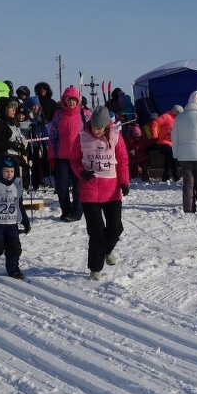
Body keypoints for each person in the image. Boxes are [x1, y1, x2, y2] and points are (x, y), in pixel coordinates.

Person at [72, 107, 130, 280]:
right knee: (96, 232)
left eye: (100, 128)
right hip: (90, 191)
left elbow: (123, 161)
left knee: (116, 227)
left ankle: (106, 250)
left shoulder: (115, 137)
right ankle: (95, 268)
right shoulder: (81, 136)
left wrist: (124, 182)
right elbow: (74, 159)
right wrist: (81, 172)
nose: (96, 131)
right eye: (94, 127)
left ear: (107, 125)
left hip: (111, 190)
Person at [48, 86, 86, 222]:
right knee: (61, 187)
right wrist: (52, 155)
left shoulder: (83, 116)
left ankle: (76, 213)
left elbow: (90, 134)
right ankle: (66, 211)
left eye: (74, 100)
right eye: (69, 100)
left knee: (78, 187)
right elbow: (52, 137)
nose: (72, 103)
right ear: (64, 101)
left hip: (78, 158)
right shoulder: (58, 117)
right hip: (62, 158)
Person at [150, 104, 179, 183]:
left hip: (171, 144)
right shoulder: (166, 116)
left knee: (168, 159)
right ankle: (176, 176)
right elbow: (155, 123)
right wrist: (155, 135)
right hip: (162, 142)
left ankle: (165, 177)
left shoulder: (177, 120)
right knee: (172, 156)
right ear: (176, 113)